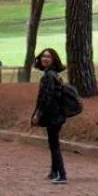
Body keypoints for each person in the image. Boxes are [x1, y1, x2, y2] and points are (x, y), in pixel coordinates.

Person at [31, 48, 68, 183]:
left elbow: (47, 98)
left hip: (54, 116)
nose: (45, 59)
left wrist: (38, 114)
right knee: (53, 143)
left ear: (53, 60)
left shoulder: (49, 76)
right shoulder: (52, 74)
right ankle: (54, 172)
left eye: (48, 57)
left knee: (54, 145)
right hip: (55, 115)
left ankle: (62, 175)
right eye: (43, 56)